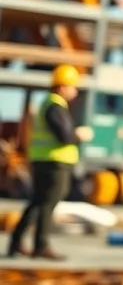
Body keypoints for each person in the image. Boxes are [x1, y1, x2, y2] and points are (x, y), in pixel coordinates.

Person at [6, 64, 93, 261]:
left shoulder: (47, 104)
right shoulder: (55, 106)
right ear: (62, 87)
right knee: (47, 202)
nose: (75, 91)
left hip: (44, 160)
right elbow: (64, 136)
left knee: (37, 202)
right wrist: (79, 134)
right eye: (73, 86)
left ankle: (16, 241)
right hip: (54, 163)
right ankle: (41, 245)